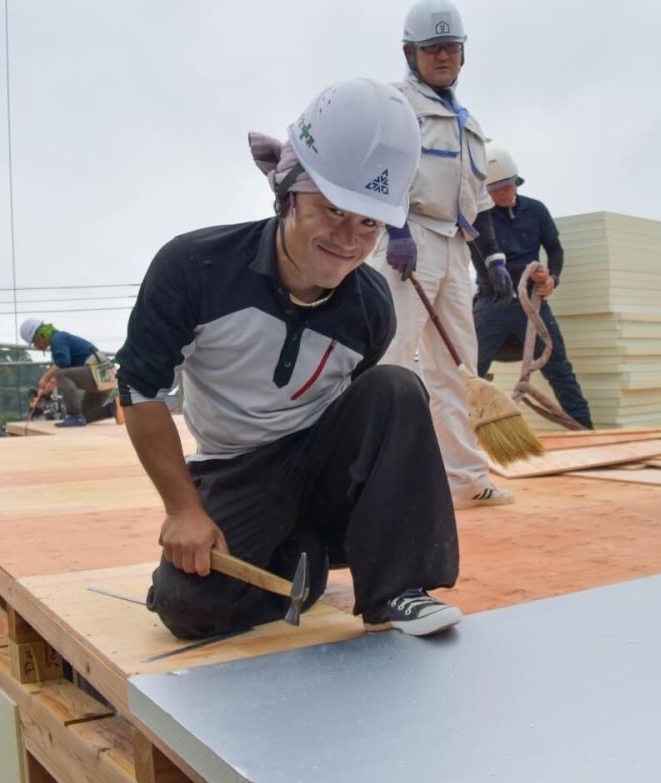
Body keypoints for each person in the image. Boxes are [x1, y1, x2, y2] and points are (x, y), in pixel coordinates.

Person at [116, 79, 462, 640]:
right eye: (332, 210)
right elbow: (139, 391)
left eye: (370, 223)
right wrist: (183, 510)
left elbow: (365, 416)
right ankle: (299, 551)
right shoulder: (194, 269)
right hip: (236, 467)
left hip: (319, 458)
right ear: (286, 195)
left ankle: (398, 588)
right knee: (187, 608)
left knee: (397, 388)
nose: (349, 240)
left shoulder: (371, 308)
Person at [367, 0, 515, 509]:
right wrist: (396, 228)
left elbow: (476, 200)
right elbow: (378, 174)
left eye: (452, 47)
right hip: (406, 240)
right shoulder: (395, 106)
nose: (444, 56)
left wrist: (491, 257)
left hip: (454, 245)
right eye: (432, 48)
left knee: (456, 366)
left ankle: (466, 479)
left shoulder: (467, 122)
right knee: (390, 358)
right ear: (411, 53)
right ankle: (377, 479)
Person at [470, 145, 594, 429]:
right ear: (485, 190)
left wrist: (552, 279)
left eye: (508, 185)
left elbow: (555, 250)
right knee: (470, 371)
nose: (504, 192)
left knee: (560, 370)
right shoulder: (479, 218)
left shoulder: (536, 210)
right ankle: (459, 442)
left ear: (517, 180)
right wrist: (530, 272)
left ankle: (586, 433)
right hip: (493, 303)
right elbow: (483, 265)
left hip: (534, 305)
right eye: (496, 188)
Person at [20, 319, 117, 427]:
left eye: (34, 342)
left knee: (61, 374)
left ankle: (75, 416)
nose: (35, 346)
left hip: (100, 373)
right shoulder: (60, 342)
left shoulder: (58, 339)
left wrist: (44, 378)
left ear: (40, 336)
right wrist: (44, 392)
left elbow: (62, 363)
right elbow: (60, 375)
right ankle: (113, 409)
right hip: (106, 376)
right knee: (84, 416)